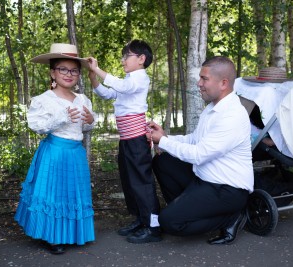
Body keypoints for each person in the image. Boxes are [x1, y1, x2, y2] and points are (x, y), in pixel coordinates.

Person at [147, 56, 254, 245]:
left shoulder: (232, 116)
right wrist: (165, 137)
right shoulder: (213, 108)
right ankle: (187, 210)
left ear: (223, 83)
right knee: (163, 162)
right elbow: (194, 140)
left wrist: (162, 141)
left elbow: (199, 154)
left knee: (169, 222)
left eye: (204, 79)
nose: (199, 83)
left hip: (227, 189)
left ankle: (231, 218)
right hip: (204, 179)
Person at [14, 43, 96, 254]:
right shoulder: (43, 100)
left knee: (72, 194)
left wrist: (90, 120)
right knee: (53, 194)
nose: (69, 74)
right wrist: (63, 117)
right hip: (54, 153)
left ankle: (72, 233)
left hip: (76, 153)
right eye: (63, 69)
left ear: (79, 74)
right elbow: (36, 126)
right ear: (52, 72)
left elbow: (84, 127)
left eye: (74, 70)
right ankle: (52, 236)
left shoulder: (82, 99)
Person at [86, 40, 161, 244]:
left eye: (126, 56)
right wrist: (93, 77)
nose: (122, 61)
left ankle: (153, 226)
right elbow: (108, 92)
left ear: (141, 59)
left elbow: (120, 86)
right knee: (129, 181)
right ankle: (141, 219)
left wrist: (98, 69)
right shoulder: (129, 80)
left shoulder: (139, 78)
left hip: (137, 140)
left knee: (142, 183)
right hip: (127, 140)